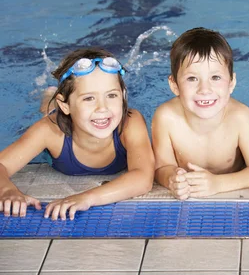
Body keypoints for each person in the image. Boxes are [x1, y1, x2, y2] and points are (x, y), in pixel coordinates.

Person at [0, 48, 155, 220]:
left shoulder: (130, 123)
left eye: (111, 95)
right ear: (65, 105)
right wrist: (6, 190)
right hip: (60, 120)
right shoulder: (49, 131)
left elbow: (143, 178)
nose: (102, 108)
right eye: (89, 98)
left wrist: (87, 198)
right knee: (48, 113)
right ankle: (49, 97)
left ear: (123, 97)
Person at [152, 27, 249, 199]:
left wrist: (217, 184)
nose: (204, 89)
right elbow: (161, 167)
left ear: (231, 83)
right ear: (174, 85)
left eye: (215, 77)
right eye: (192, 78)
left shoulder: (240, 117)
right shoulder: (165, 117)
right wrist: (172, 178)